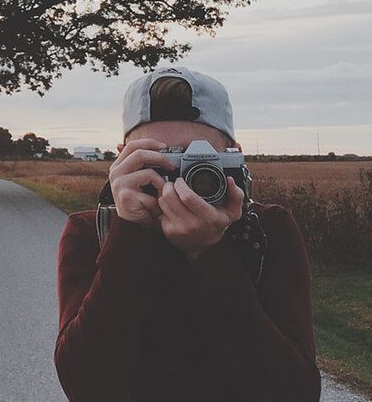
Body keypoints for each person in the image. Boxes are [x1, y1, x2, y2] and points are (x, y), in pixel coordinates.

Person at [52, 67, 321, 401]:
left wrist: (208, 252)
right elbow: (86, 386)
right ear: (123, 159)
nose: (181, 181)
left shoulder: (267, 230)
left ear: (233, 155)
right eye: (162, 159)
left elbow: (295, 392)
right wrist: (131, 234)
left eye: (199, 159)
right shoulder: (91, 232)